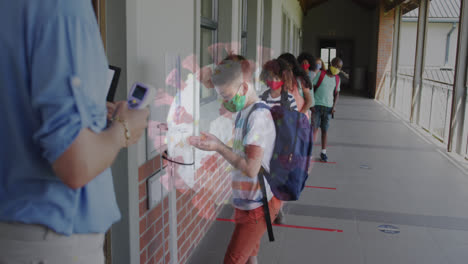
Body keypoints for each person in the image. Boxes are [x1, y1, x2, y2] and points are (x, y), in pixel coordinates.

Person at [0, 1, 149, 263]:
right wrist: (124, 130)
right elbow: (76, 164)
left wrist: (85, 115)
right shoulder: (61, 7)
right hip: (51, 240)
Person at [188, 56, 282, 264]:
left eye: (227, 96)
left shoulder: (257, 118)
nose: (225, 102)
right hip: (249, 201)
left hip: (258, 205)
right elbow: (244, 155)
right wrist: (217, 142)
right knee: (250, 254)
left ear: (244, 87)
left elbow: (250, 168)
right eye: (222, 96)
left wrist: (219, 147)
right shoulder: (245, 111)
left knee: (233, 259)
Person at [313, 57, 343, 162]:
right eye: (335, 65)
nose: (336, 68)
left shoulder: (337, 79)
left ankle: (323, 152)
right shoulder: (321, 74)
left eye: (339, 67)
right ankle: (309, 152)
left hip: (328, 108)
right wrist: (311, 103)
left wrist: (334, 106)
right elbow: (312, 87)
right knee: (314, 130)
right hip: (316, 106)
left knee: (325, 131)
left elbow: (337, 93)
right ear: (331, 63)